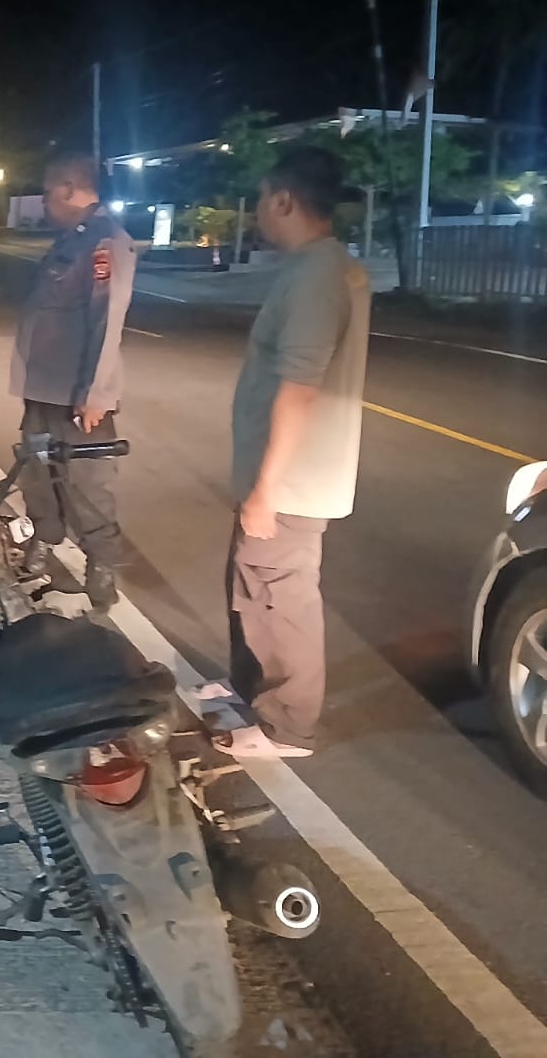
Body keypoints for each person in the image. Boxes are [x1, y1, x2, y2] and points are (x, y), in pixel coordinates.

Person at [219, 146, 369, 760]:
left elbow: (300, 387)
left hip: (292, 480)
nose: (257, 210)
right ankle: (250, 690)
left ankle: (288, 725)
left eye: (261, 198)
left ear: (283, 200)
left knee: (282, 596)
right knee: (251, 585)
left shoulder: (316, 276)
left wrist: (267, 488)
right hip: (282, 473)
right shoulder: (321, 266)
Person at [7, 153, 136, 611]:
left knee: (88, 484)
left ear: (68, 189)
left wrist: (95, 393)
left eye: (47, 192)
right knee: (38, 472)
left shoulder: (105, 242)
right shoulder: (71, 240)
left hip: (79, 396)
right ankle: (43, 539)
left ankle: (100, 564)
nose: (43, 202)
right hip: (44, 390)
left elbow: (107, 319)